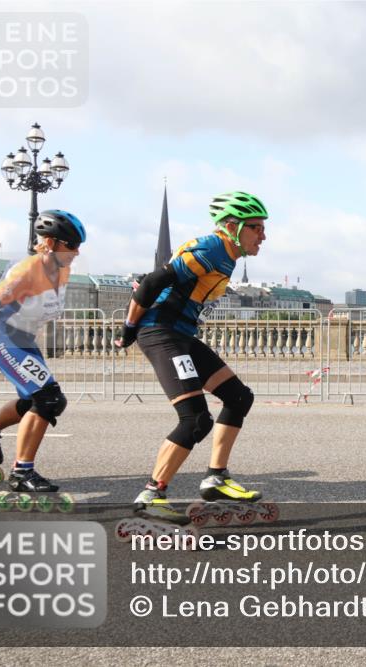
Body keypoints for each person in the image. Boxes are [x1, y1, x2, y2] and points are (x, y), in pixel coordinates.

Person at [115, 191, 269, 526]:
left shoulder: (228, 254)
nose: (263, 235)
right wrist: (129, 328)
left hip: (180, 334)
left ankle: (216, 478)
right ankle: (151, 495)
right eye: (255, 227)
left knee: (238, 397)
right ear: (232, 226)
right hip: (160, 332)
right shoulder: (211, 248)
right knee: (195, 419)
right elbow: (151, 282)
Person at [0, 210, 87, 509]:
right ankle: (22, 473)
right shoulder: (26, 271)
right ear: (51, 243)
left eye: (79, 246)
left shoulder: (62, 270)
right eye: (71, 245)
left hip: (23, 337)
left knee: (33, 401)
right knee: (48, 399)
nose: (77, 252)